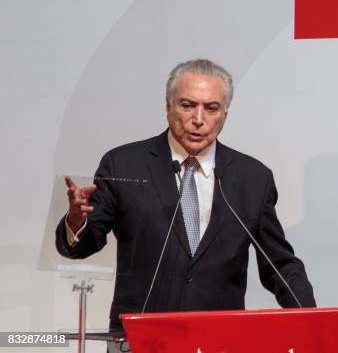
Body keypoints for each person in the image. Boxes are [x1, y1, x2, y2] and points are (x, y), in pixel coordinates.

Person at [55, 59, 316, 331]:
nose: (199, 119)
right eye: (187, 105)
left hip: (220, 341)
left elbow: (280, 265)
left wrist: (314, 324)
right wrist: (76, 221)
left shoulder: (252, 178)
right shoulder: (122, 164)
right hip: (142, 339)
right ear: (168, 106)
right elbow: (85, 244)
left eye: (212, 108)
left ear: (225, 113)